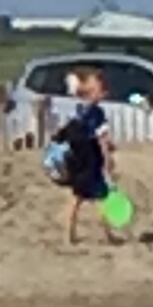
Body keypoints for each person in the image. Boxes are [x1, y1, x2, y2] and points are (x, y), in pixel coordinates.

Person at [48, 66, 124, 246]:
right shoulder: (97, 113)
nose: (105, 93)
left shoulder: (78, 109)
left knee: (78, 197)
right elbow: (101, 138)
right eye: (102, 90)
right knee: (101, 197)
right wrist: (108, 158)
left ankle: (70, 234)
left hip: (77, 159)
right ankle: (107, 235)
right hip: (91, 160)